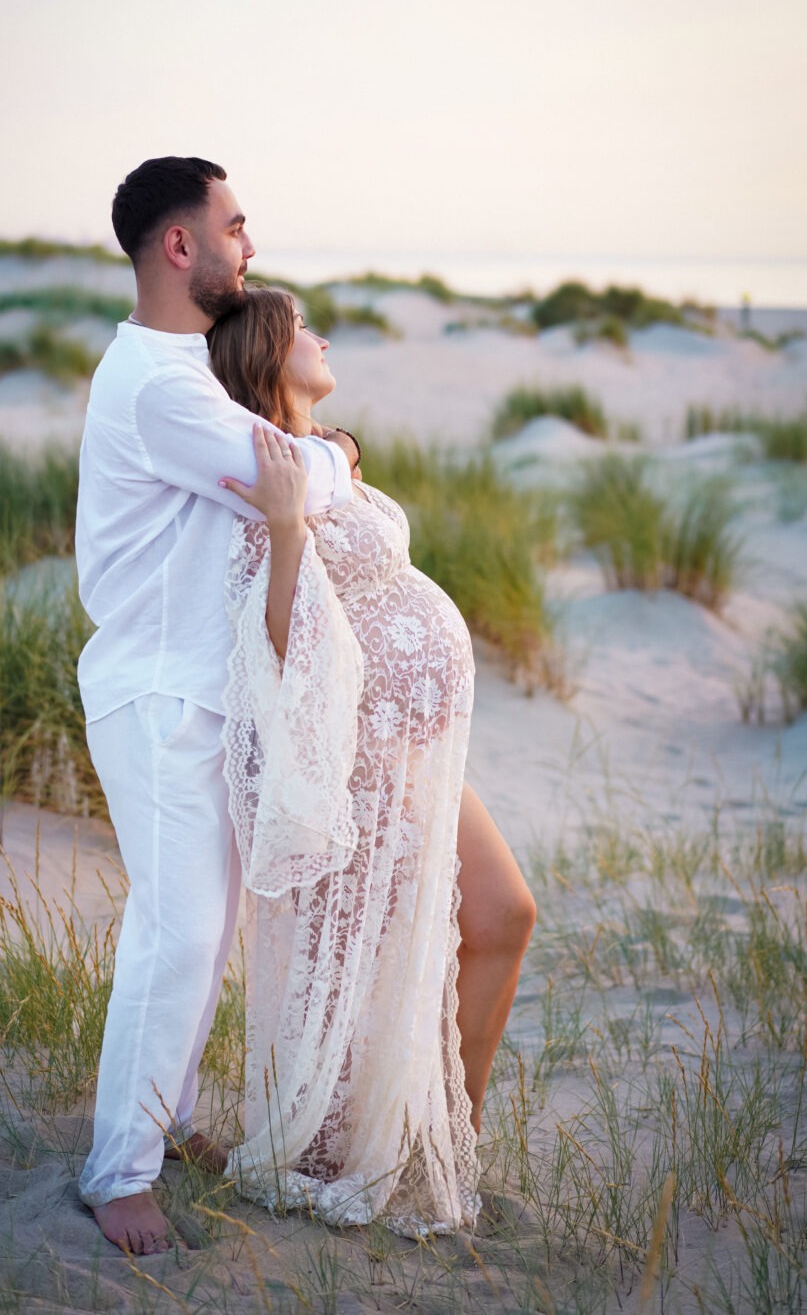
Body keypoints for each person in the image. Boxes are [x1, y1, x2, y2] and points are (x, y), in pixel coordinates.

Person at [75, 158, 361, 1255]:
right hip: (157, 692)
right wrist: (329, 451)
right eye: (234, 227)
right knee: (178, 930)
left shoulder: (177, 369)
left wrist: (307, 459)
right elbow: (282, 477)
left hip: (193, 691)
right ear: (179, 247)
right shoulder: (158, 384)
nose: (250, 245)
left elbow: (282, 474)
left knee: (202, 925)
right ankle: (119, 1172)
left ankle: (165, 1118)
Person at [209, 288, 536, 1233]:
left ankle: (442, 1144)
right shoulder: (260, 476)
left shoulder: (323, 457)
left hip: (418, 753)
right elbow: (274, 640)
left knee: (504, 918)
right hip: (356, 767)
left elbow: (345, 482)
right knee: (358, 978)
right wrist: (282, 529)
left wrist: (335, 459)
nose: (322, 337)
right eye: (305, 328)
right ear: (271, 356)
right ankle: (383, 1153)